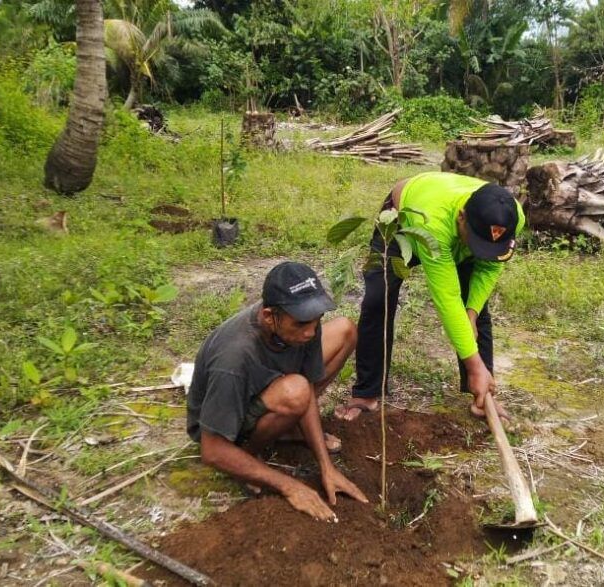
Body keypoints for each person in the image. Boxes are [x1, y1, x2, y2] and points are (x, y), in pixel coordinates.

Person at [336, 172, 525, 422]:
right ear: (461, 218)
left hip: (453, 231)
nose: (482, 251)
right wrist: (474, 365)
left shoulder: (513, 217)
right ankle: (367, 392)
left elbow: (490, 267)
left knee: (477, 314)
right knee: (378, 298)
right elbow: (447, 298)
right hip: (404, 222)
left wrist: (471, 313)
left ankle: (482, 396)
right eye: (479, 244)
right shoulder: (434, 223)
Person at [186, 261, 367, 522]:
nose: (311, 332)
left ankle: (288, 425)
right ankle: (247, 455)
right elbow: (211, 449)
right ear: (270, 317)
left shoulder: (303, 322)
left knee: (345, 331)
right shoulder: (233, 358)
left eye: (316, 320)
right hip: (226, 424)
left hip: (277, 387)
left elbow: (306, 386)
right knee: (296, 391)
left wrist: (326, 467)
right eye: (302, 324)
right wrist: (289, 486)